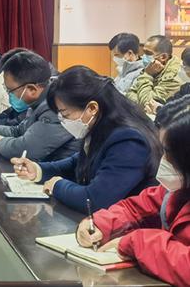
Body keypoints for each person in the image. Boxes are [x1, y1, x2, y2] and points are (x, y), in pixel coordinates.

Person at [10, 66, 161, 213]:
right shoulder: (101, 125)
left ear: (92, 108)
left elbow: (96, 200)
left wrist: (57, 186)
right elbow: (77, 163)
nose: (63, 121)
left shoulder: (129, 140)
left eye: (66, 114)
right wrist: (38, 170)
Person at [75, 96, 190, 286]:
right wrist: (101, 224)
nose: (163, 160)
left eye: (169, 153)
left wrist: (136, 243)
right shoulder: (176, 189)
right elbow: (138, 208)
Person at [0, 51, 79, 162]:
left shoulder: (57, 105)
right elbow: (17, 131)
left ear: (31, 89)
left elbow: (27, 148)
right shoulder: (38, 100)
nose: (8, 95)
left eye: (10, 91)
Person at [127, 35, 182, 110]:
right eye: (144, 52)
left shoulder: (176, 75)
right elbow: (129, 93)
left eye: (148, 53)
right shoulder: (151, 68)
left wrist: (147, 75)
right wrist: (142, 102)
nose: (143, 56)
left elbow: (149, 103)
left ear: (163, 57)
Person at [152, 47, 190, 118]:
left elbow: (181, 115)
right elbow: (172, 102)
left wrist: (159, 109)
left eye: (185, 67)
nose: (181, 69)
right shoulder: (186, 87)